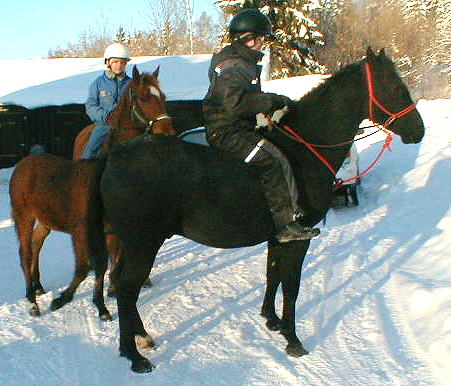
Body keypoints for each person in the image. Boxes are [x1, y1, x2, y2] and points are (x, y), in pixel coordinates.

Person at [202, 8, 320, 243]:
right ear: (246, 38)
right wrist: (271, 101)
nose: (263, 43)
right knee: (274, 160)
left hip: (235, 126)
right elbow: (233, 103)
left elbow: (243, 98)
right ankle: (286, 224)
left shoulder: (240, 62)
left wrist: (270, 103)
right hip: (227, 132)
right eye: (260, 38)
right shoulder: (236, 65)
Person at [81, 42, 131, 159]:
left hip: (127, 125)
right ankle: (86, 163)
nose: (119, 65)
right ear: (108, 63)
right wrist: (106, 117)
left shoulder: (131, 83)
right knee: (94, 141)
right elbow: (91, 106)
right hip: (105, 124)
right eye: (115, 62)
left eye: (122, 62)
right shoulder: (98, 83)